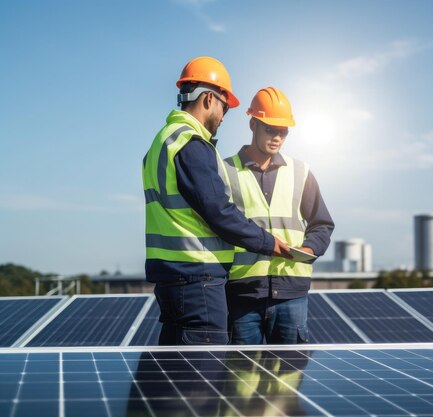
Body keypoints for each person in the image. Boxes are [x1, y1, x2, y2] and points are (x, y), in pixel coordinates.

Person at [142, 57, 291, 346]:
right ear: (209, 99)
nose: (223, 116)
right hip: (198, 280)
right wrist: (267, 242)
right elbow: (219, 212)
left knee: (174, 377)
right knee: (201, 378)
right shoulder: (192, 143)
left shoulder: (162, 141)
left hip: (173, 278)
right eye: (225, 106)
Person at [224, 87, 334, 344]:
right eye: (270, 129)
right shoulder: (225, 170)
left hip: (291, 293)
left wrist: (309, 248)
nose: (277, 137)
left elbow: (322, 224)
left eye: (283, 131)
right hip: (242, 295)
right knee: (242, 380)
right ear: (253, 124)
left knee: (288, 378)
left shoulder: (301, 172)